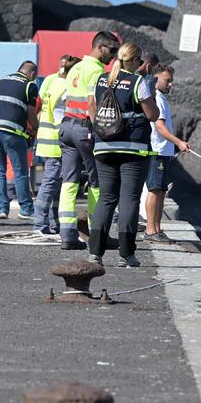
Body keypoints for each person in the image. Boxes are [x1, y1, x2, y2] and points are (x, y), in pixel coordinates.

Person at [86, 42, 159, 267]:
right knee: (129, 199)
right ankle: (126, 254)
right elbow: (152, 115)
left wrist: (102, 131)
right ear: (135, 61)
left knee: (106, 198)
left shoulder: (100, 79)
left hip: (104, 147)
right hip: (132, 149)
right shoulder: (137, 82)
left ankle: (95, 253)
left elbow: (91, 108)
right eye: (139, 61)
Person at [59, 31, 119, 250]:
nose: (114, 55)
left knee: (69, 182)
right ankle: (98, 235)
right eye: (112, 50)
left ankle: (67, 235)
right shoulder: (96, 71)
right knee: (97, 182)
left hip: (67, 127)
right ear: (100, 47)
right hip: (84, 129)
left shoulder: (76, 67)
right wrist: (101, 131)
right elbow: (93, 104)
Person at [0, 60, 39, 220]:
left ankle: (2, 209)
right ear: (32, 74)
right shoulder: (30, 85)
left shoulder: (2, 79)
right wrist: (36, 128)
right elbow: (31, 112)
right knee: (20, 171)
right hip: (11, 131)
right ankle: (26, 209)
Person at [143, 64, 190, 243]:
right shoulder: (156, 97)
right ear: (156, 79)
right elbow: (159, 127)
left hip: (163, 152)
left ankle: (157, 229)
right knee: (155, 190)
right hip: (156, 151)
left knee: (161, 191)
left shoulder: (161, 97)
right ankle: (150, 230)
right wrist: (179, 142)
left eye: (171, 81)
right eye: (167, 80)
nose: (171, 84)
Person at [33, 55, 79, 234]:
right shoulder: (66, 86)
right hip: (56, 142)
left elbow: (41, 106)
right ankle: (40, 224)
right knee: (51, 183)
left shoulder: (52, 81)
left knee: (56, 184)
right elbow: (61, 117)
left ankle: (54, 224)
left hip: (48, 139)